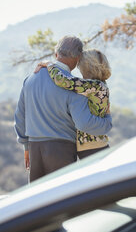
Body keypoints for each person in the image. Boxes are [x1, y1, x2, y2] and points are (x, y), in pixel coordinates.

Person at [14, 36, 112, 182]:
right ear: (78, 58)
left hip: (34, 147)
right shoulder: (74, 87)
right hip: (61, 150)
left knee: (38, 200)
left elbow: (20, 116)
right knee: (61, 198)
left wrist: (26, 146)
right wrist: (107, 123)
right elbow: (84, 123)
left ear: (56, 54)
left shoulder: (30, 79)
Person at [35, 49, 111, 159]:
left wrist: (49, 64)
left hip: (93, 149)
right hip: (96, 147)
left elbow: (62, 80)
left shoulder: (94, 86)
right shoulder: (100, 85)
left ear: (87, 66)